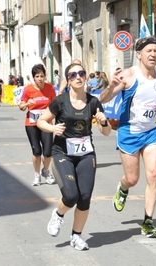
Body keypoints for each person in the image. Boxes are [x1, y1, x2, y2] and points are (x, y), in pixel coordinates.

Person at [99, 36, 156, 238]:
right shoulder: (128, 75)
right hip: (129, 132)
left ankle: (148, 222)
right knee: (133, 179)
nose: (153, 54)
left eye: (155, 51)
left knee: (154, 175)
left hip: (152, 132)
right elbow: (103, 99)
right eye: (148, 51)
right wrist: (110, 85)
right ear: (139, 54)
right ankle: (123, 187)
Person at [37, 63, 111, 251]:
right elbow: (41, 121)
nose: (78, 77)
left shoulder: (93, 102)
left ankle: (76, 236)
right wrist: (53, 128)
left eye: (81, 73)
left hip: (86, 154)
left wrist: (104, 121)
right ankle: (58, 214)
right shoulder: (60, 101)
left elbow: (106, 132)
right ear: (68, 79)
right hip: (63, 152)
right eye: (73, 75)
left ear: (86, 76)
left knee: (84, 197)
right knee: (71, 195)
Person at [18, 64, 56, 186]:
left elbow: (55, 105)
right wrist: (27, 103)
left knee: (48, 152)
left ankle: (45, 171)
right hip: (32, 124)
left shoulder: (50, 88)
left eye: (42, 76)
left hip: (46, 123)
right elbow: (21, 106)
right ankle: (36, 174)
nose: (40, 79)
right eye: (37, 76)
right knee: (37, 151)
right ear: (34, 78)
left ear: (45, 76)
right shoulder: (28, 89)